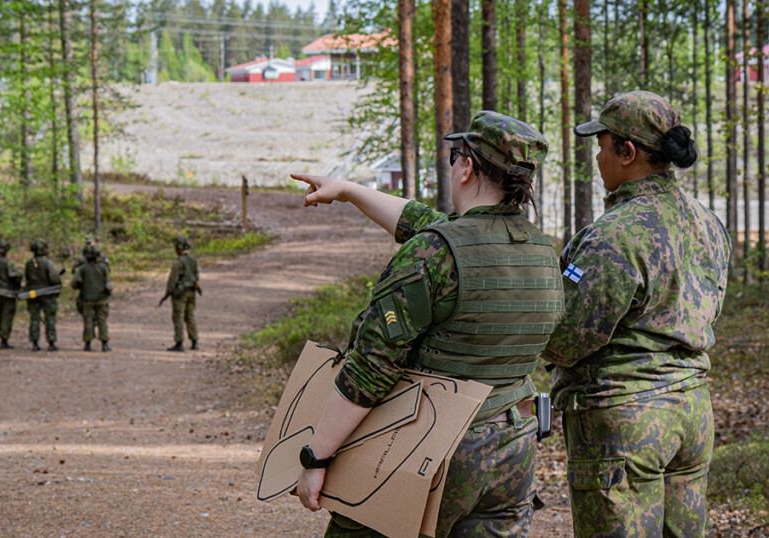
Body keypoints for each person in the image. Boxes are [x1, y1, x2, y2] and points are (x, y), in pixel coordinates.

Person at [291, 111, 563, 537]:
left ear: (467, 166)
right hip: (512, 449)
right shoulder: (541, 251)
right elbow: (430, 224)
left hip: (429, 446)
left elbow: (371, 369)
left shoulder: (434, 254)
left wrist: (316, 458)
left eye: (457, 156)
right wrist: (347, 191)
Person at [542, 90, 731, 537]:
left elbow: (565, 339)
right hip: (692, 415)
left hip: (624, 423)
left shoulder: (615, 234)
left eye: (602, 145)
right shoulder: (707, 222)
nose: (597, 156)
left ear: (626, 152)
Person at [71, 244, 112, 352]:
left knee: (88, 321)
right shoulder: (103, 267)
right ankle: (105, 344)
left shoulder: (82, 269)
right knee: (102, 321)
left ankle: (88, 344)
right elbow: (108, 282)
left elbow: (74, 283)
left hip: (87, 299)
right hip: (102, 299)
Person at [24, 239, 63, 352]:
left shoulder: (28, 263)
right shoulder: (48, 263)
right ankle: (51, 342)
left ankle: (35, 343)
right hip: (47, 295)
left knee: (34, 318)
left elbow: (27, 278)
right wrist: (57, 291)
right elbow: (55, 279)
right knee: (50, 318)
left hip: (32, 294)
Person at [162, 236, 200, 352]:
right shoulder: (192, 261)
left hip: (180, 293)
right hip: (191, 291)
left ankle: (179, 342)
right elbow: (196, 276)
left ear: (178, 248)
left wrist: (167, 293)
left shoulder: (178, 263)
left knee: (178, 317)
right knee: (190, 316)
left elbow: (172, 280)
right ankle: (194, 341)